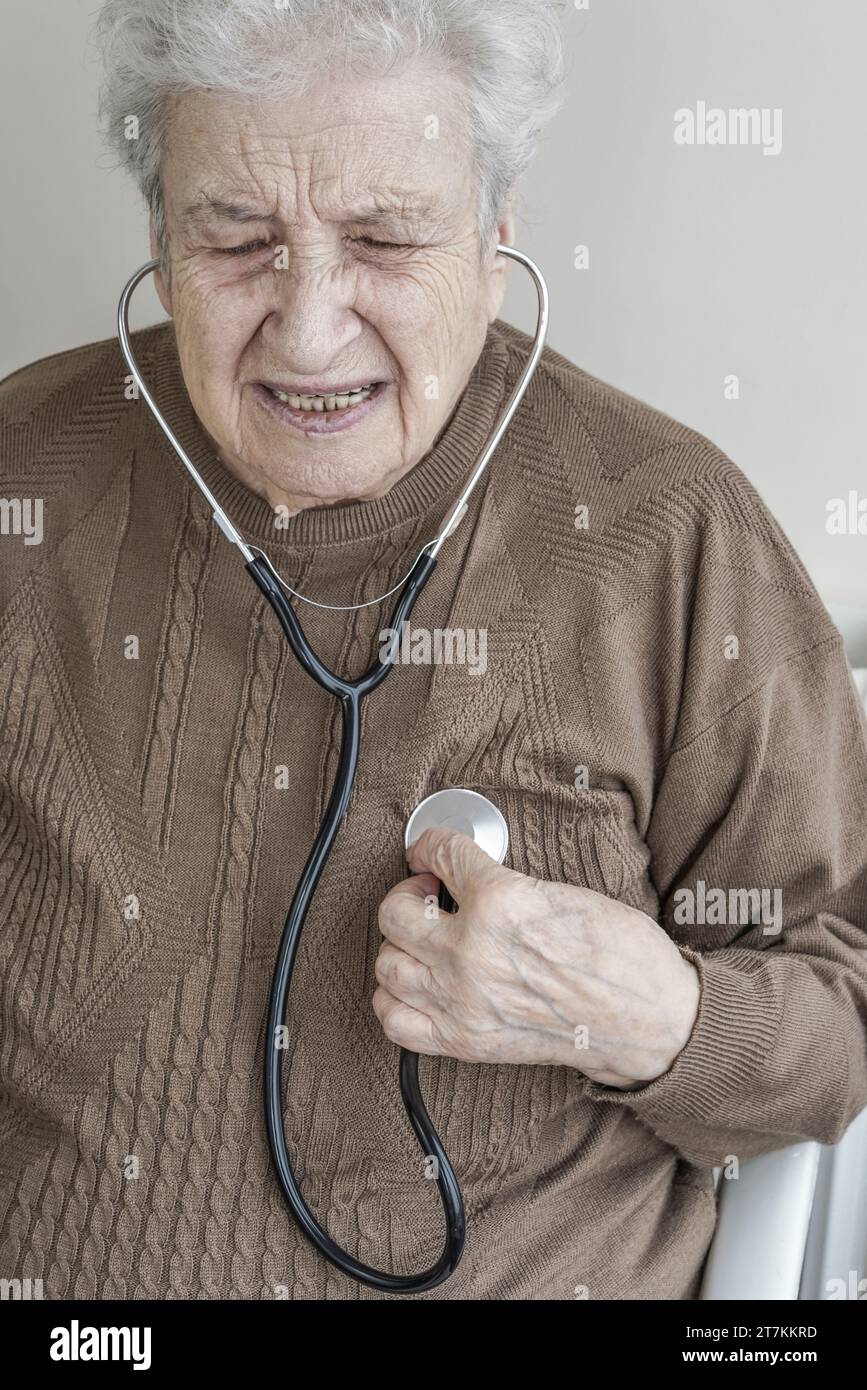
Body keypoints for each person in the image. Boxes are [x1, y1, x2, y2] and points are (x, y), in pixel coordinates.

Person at [1, 0, 865, 1301]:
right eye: (236, 239)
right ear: (160, 242)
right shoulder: (24, 477)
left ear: (495, 224)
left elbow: (845, 1003)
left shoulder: (669, 532)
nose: (308, 327)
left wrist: (656, 1019)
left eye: (385, 237)